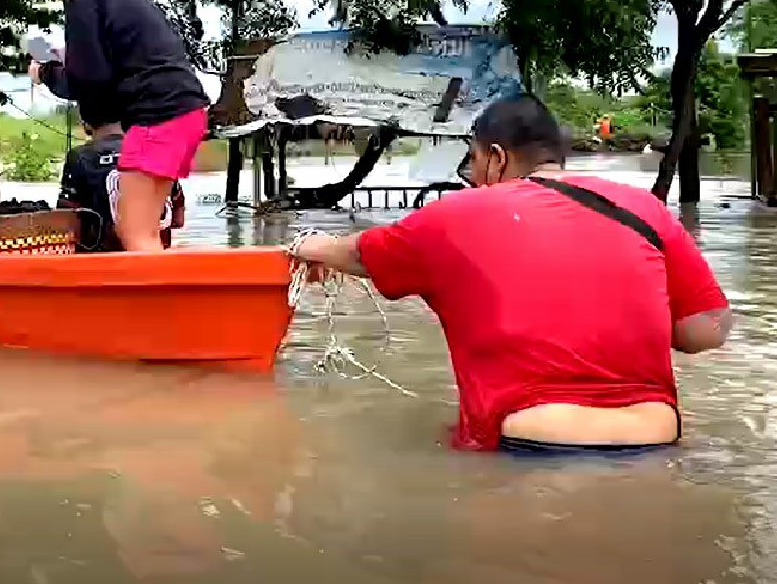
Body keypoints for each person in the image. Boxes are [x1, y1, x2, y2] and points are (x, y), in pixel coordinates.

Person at [291, 95, 732, 454]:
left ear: (497, 158)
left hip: (529, 444)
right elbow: (707, 330)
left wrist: (311, 247)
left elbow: (361, 255)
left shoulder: (456, 215)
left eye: (473, 162)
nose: (472, 176)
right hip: (656, 440)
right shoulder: (644, 209)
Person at [29, 0, 209, 252]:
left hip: (159, 114)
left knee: (134, 232)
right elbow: (110, 68)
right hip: (185, 108)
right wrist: (71, 61)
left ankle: (159, 307)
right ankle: (164, 302)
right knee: (147, 231)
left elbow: (90, 83)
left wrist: (47, 73)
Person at [58, 122, 184, 252]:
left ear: (86, 125)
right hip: (156, 258)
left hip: (97, 261)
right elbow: (178, 220)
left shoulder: (79, 156)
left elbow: (65, 221)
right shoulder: (158, 151)